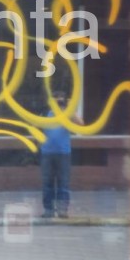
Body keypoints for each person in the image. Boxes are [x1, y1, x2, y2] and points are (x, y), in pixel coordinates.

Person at [39, 90, 84, 219]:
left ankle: (62, 210)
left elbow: (81, 124)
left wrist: (69, 108)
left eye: (61, 99)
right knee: (47, 183)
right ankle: (48, 209)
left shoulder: (68, 114)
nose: (58, 102)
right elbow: (35, 125)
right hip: (47, 153)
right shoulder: (45, 113)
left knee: (63, 183)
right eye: (56, 99)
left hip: (63, 153)